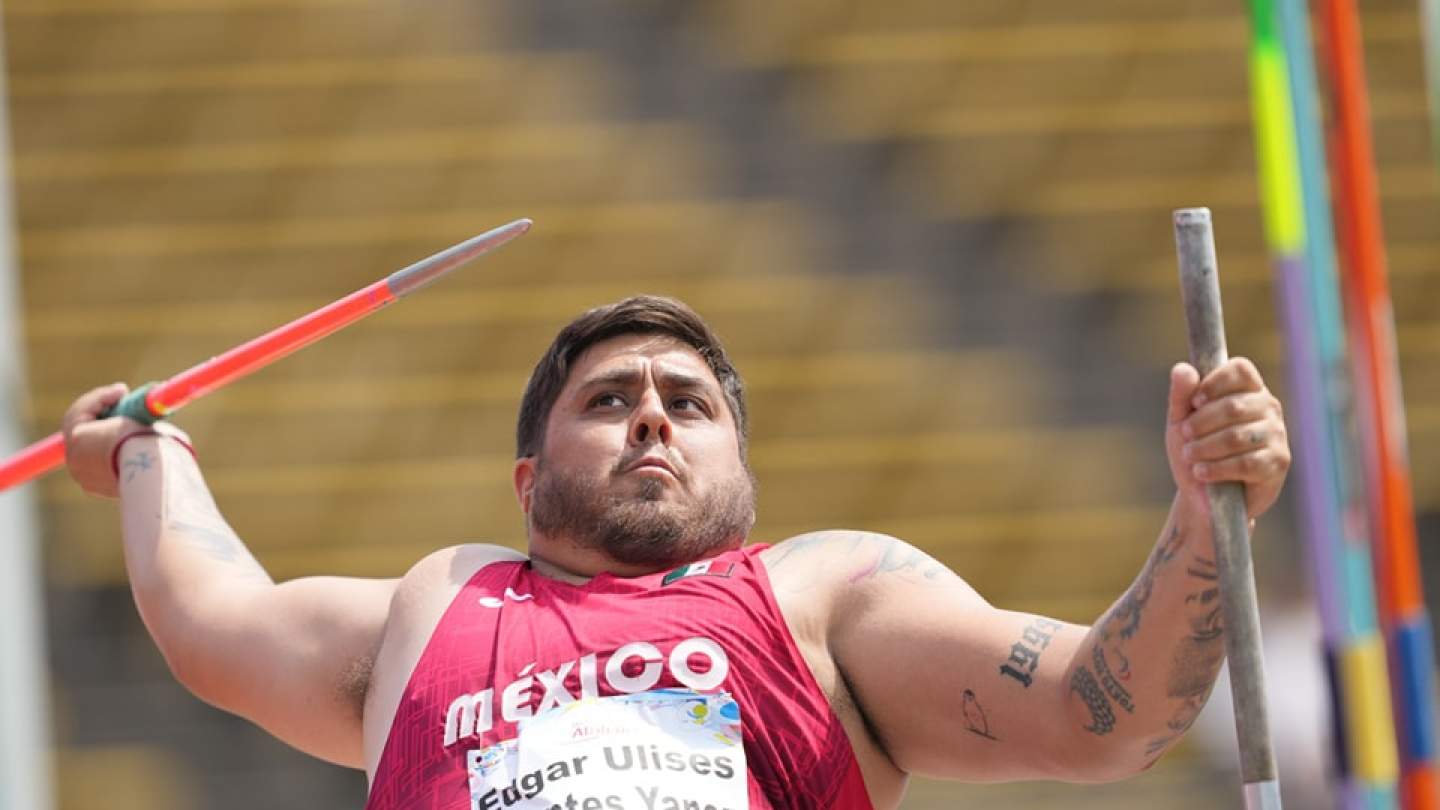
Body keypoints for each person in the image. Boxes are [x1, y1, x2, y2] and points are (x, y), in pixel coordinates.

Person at [61, 295, 1291, 809]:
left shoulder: (823, 594)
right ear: (528, 479)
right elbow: (210, 615)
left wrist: (1200, 513)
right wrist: (141, 454)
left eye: (690, 403)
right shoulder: (435, 605)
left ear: (741, 478)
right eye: (608, 400)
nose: (653, 413)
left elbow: (1097, 714)